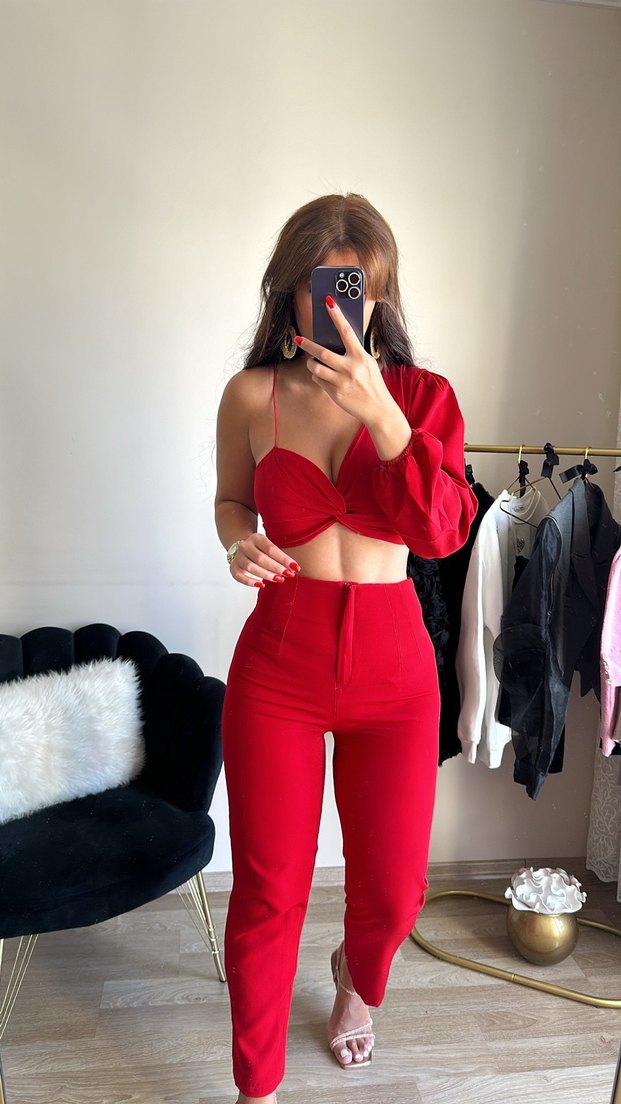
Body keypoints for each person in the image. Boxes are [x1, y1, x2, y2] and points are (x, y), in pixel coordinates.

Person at [214, 193, 477, 1104]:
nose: (335, 305)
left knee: (395, 893)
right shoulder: (251, 394)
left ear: (380, 295)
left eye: (356, 287)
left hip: (394, 668)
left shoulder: (424, 397)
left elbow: (442, 532)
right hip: (278, 661)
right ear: (288, 291)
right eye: (319, 286)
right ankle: (256, 1087)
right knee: (266, 889)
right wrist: (236, 541)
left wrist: (384, 418)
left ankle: (354, 978)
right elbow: (230, 501)